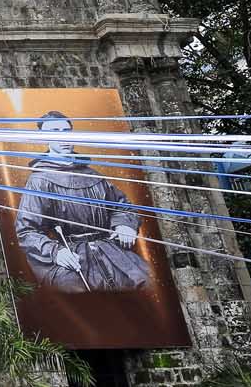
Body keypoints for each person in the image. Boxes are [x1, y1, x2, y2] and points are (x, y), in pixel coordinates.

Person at [13, 111, 150, 293]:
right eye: (55, 132)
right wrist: (55, 252)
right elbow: (26, 230)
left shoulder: (92, 175)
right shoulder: (39, 181)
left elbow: (121, 206)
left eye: (66, 131)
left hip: (111, 251)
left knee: (147, 282)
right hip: (73, 256)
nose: (64, 137)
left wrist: (125, 226)